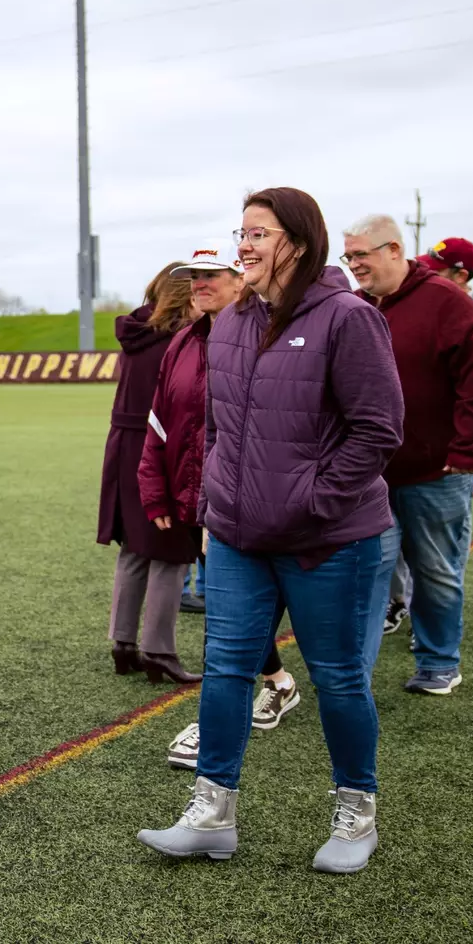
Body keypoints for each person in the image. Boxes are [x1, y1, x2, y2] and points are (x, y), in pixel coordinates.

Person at [138, 187, 403, 875]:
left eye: (259, 233)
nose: (245, 245)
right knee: (226, 668)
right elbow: (219, 428)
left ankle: (356, 815)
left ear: (300, 242)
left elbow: (378, 431)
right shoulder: (229, 322)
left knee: (338, 678)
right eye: (242, 233)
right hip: (236, 535)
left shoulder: (348, 317)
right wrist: (214, 505)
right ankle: (211, 814)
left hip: (328, 538)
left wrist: (312, 502)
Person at [137, 240, 299, 771]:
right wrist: (154, 487)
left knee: (240, 613)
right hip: (196, 498)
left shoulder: (265, 334)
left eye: (211, 276)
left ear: (240, 280)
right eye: (194, 277)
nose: (199, 285)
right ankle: (277, 684)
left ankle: (223, 719)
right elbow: (160, 420)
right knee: (234, 610)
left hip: (251, 500)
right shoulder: (184, 340)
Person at [343, 217, 473, 696]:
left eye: (361, 255)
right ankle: (354, 673)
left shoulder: (446, 301)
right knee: (369, 570)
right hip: (371, 473)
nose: (353, 265)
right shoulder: (357, 305)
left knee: (434, 571)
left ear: (393, 249)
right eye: (348, 257)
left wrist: (468, 451)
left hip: (436, 471)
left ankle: (438, 662)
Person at [382, 238, 473, 637]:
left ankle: (434, 623)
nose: (425, 275)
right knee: (391, 541)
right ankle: (399, 602)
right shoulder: (419, 303)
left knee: (440, 549)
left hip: (455, 453)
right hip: (405, 451)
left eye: (438, 270)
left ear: (461, 275)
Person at [98, 262, 200, 684]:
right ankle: (159, 649)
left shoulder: (136, 333)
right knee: (170, 550)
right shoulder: (181, 340)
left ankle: (123, 644)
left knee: (135, 547)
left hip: (124, 447)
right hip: (160, 448)